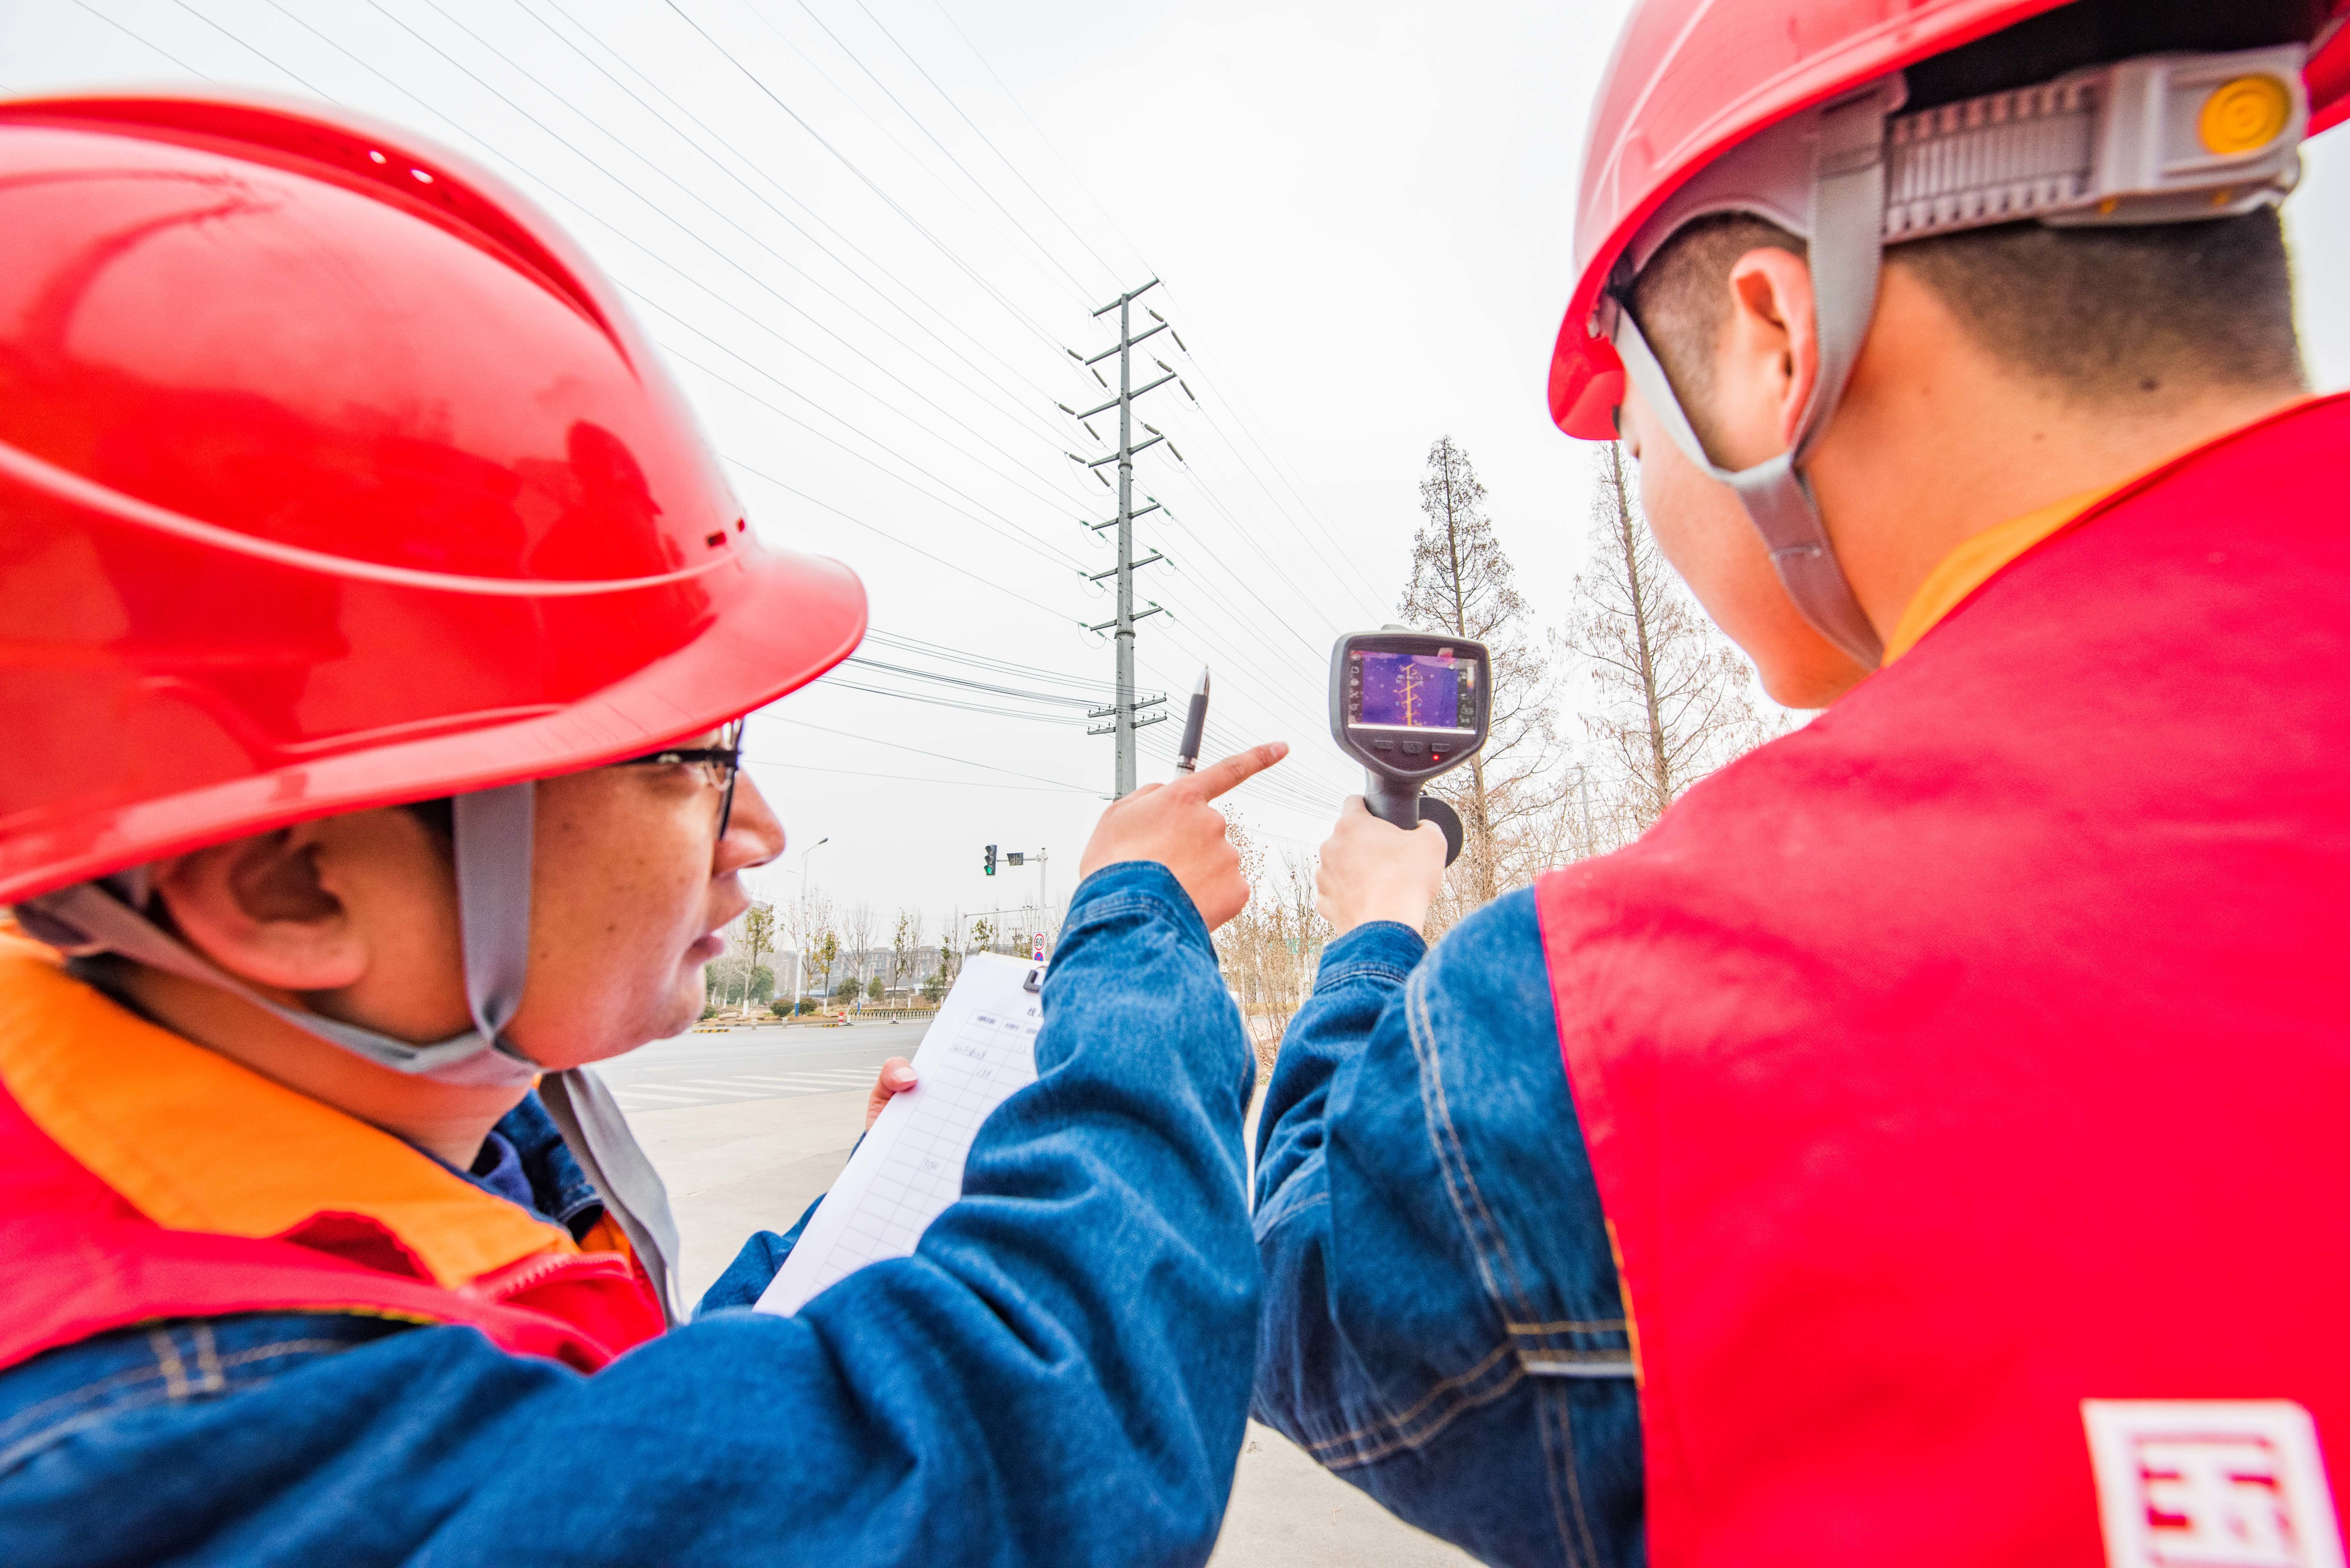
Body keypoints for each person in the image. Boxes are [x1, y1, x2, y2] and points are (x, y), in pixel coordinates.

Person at [0, 87, 1284, 1565]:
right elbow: (1040, 1438)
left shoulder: (256, 1232)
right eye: (681, 761)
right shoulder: (208, 1454)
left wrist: (856, 1228)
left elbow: (616, 1425)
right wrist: (1135, 921)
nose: (763, 832)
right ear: (289, 885)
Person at [1245, 2, 2350, 1564]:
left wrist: (1376, 939)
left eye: (1630, 426)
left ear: (1773, 340)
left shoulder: (1619, 1011)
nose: (1642, 477)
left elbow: (1306, 1298)